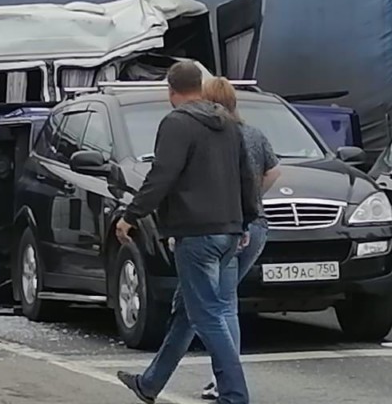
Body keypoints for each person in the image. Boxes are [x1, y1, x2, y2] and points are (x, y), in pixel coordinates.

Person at [115, 61, 258, 404]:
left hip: (196, 234)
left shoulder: (177, 123)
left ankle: (235, 396)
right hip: (229, 231)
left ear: (171, 90)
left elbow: (162, 176)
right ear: (200, 85)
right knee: (188, 313)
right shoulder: (229, 123)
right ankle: (149, 384)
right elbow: (246, 175)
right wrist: (248, 220)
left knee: (207, 315)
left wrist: (130, 216)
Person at [198, 76, 281, 401]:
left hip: (225, 225)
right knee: (225, 302)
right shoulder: (254, 134)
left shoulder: (215, 137)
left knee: (219, 305)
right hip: (256, 225)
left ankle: (226, 378)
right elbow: (274, 172)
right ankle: (224, 378)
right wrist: (255, 198)